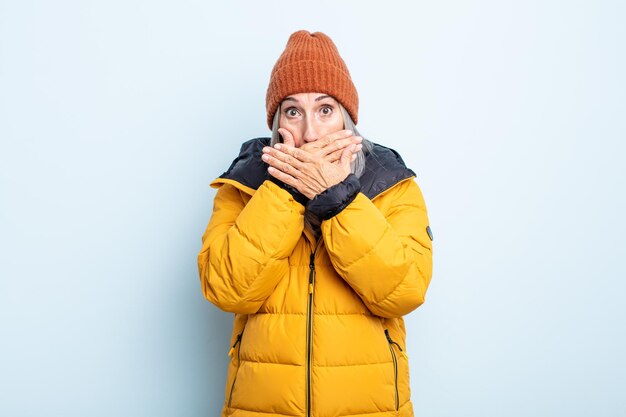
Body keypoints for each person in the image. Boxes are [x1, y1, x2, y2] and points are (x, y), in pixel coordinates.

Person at [197, 29, 434, 417]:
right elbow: (226, 291)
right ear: (277, 123)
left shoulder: (391, 184)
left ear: (346, 119)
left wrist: (339, 201)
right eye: (293, 111)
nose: (309, 133)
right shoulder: (243, 187)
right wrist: (285, 190)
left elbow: (404, 291)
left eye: (324, 110)